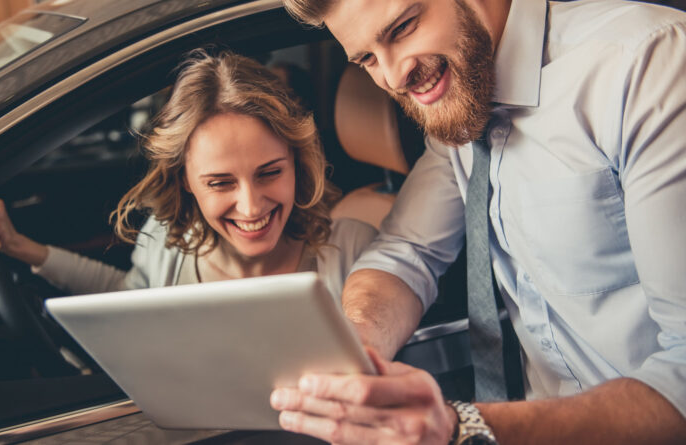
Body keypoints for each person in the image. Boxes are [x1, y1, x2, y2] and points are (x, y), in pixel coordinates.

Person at [270, 1, 686, 444]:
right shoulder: (459, 97)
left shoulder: (645, 63)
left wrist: (460, 426)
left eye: (404, 27)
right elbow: (406, 253)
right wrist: (358, 351)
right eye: (368, 59)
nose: (392, 78)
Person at [0, 49, 376, 300]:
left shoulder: (354, 251)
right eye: (220, 182)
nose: (250, 205)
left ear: (297, 163)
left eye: (269, 173)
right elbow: (131, 299)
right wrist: (23, 248)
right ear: (185, 181)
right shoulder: (168, 244)